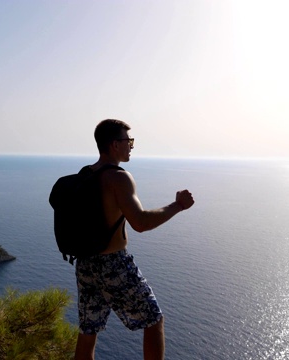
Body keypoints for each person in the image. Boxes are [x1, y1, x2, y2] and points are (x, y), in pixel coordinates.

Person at [74, 119, 195, 360]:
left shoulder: (85, 174)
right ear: (114, 145)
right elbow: (140, 223)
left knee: (89, 330)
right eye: (128, 141)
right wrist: (177, 206)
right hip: (113, 264)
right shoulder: (119, 177)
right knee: (154, 320)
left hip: (85, 264)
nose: (131, 146)